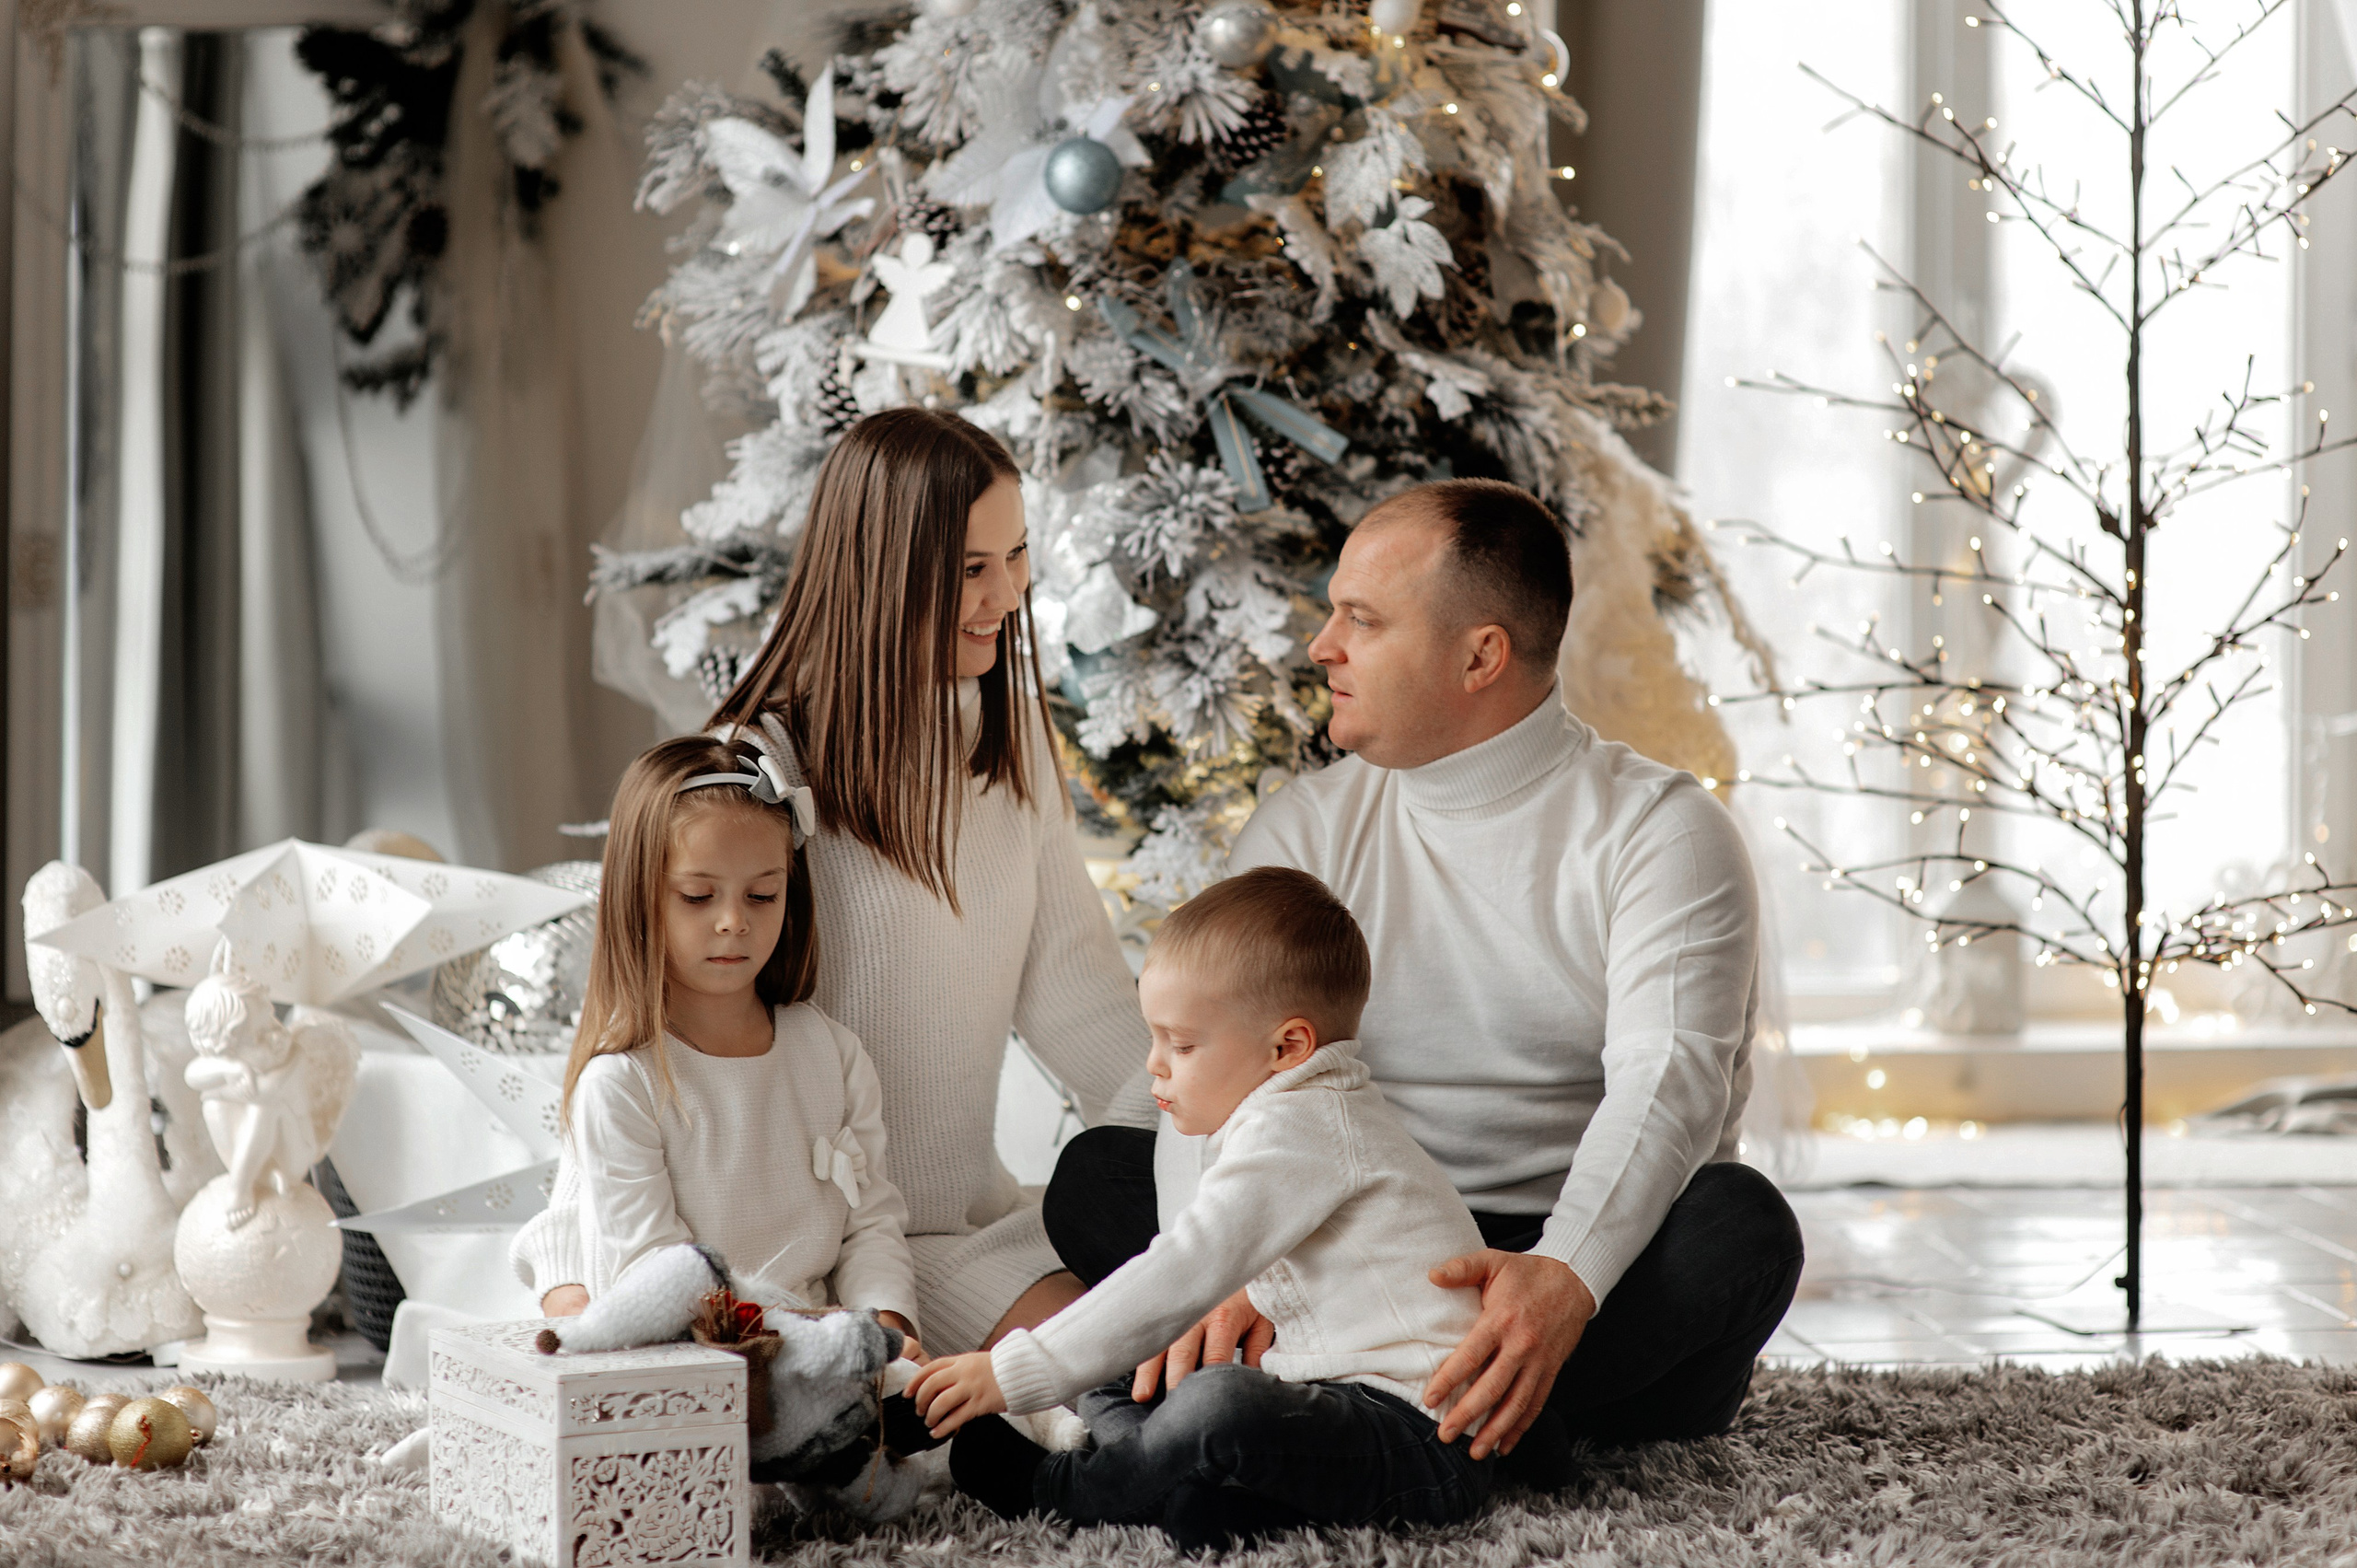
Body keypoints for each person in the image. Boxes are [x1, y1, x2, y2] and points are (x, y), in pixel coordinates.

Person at [1044, 477, 1805, 1477]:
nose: (1322, 645)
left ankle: (1408, 1416)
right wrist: (1233, 1262)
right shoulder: (1305, 828)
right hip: (1351, 1238)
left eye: (1360, 618)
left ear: (1479, 653)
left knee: (1737, 1224)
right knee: (1097, 1175)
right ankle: (1488, 1432)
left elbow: (1668, 1088)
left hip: (1566, 1253)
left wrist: (1563, 1278)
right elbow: (1225, 1088)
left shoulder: (1659, 831)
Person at [517, 410, 1155, 1356]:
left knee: (1135, 1356)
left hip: (940, 1232)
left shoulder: (1012, 736)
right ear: (882, 570)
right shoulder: (758, 758)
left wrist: (1213, 1154)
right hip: (774, 1251)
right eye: (972, 569)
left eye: (1016, 557)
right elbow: (643, 1016)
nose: (1008, 595)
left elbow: (1080, 998)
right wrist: (577, 1262)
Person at [911, 867, 1498, 1551]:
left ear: (1288, 1046)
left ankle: (1070, 1490)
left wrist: (1010, 1369)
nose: (1156, 1065)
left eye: (1182, 1045)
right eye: (1154, 1037)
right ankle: (1185, 1492)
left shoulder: (1307, 1124)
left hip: (1423, 1440)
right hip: (1322, 1396)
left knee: (1221, 1402)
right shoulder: (1278, 1109)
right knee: (1128, 1362)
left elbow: (1185, 1267)